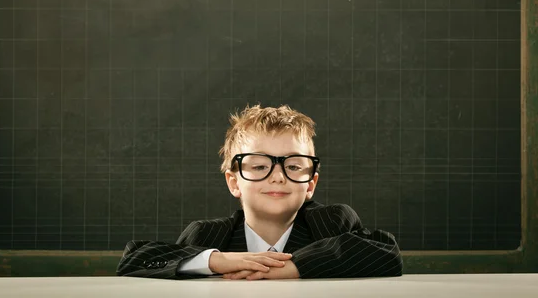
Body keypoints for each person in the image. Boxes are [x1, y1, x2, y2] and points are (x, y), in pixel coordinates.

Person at [116, 104, 402, 279]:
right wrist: (217, 261)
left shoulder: (332, 221)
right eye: (258, 165)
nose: (277, 177)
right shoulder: (208, 235)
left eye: (293, 166)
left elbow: (384, 251)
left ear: (311, 183)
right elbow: (134, 260)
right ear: (234, 182)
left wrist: (293, 267)